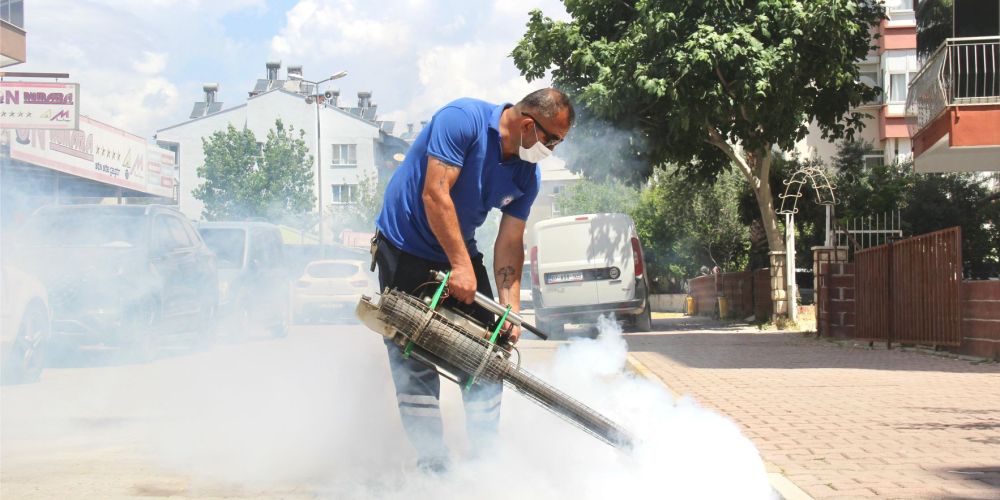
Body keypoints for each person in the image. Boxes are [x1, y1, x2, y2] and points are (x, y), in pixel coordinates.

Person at [372, 88, 574, 473]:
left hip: (458, 248)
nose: (553, 149)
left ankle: (485, 460)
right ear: (530, 125)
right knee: (413, 352)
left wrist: (510, 309)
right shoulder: (461, 120)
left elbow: (510, 241)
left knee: (488, 351)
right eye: (553, 140)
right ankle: (432, 464)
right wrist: (459, 267)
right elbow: (435, 195)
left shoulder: (526, 176)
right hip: (404, 246)